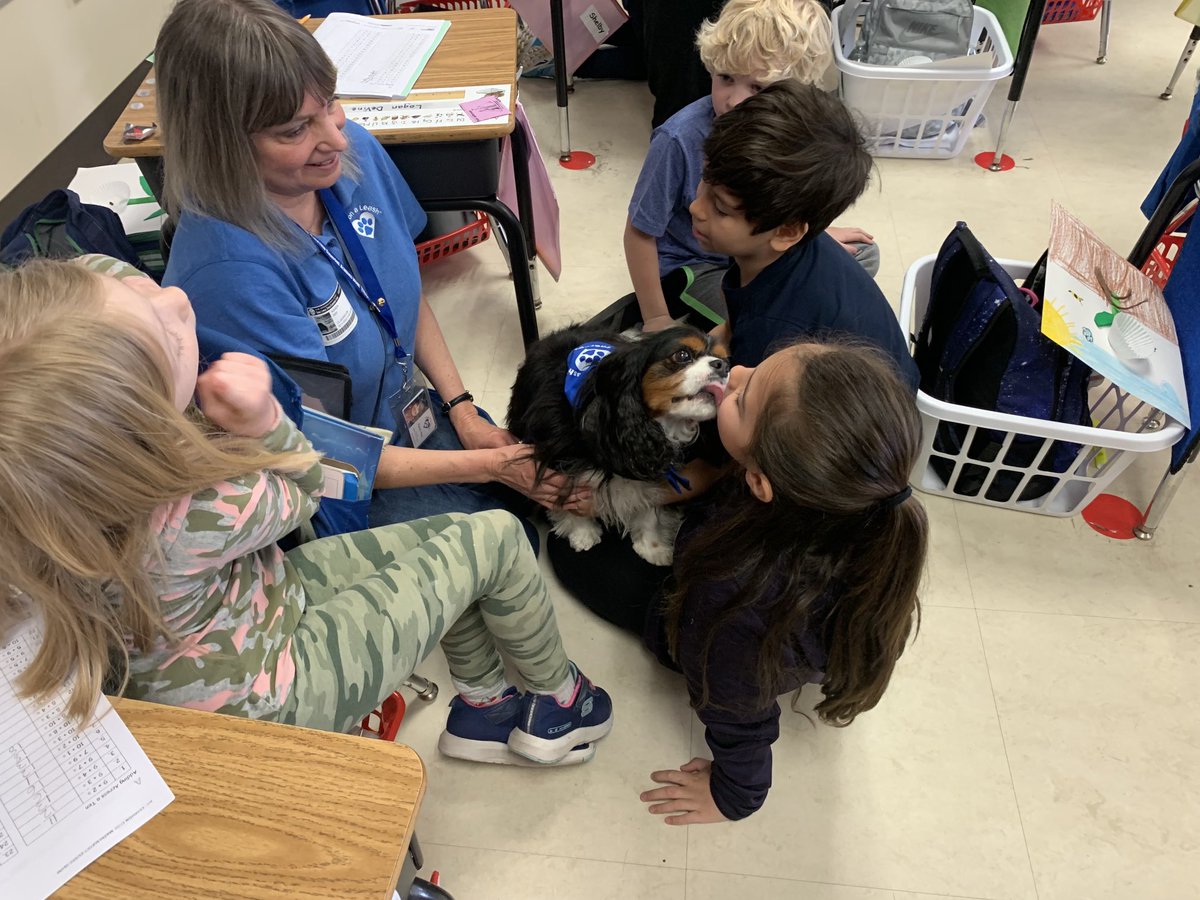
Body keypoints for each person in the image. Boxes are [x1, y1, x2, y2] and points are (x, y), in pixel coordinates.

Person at [0, 257, 613, 767]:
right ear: (150, 425)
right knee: (499, 537)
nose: (177, 299)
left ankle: (484, 706)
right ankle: (561, 704)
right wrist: (264, 422)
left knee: (451, 541)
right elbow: (305, 484)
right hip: (275, 695)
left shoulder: (46, 486)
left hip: (238, 623)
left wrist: (118, 311)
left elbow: (67, 317)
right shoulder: (200, 510)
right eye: (167, 333)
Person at [156, 0, 582, 547]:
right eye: (293, 130)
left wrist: (462, 409)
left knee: (531, 511)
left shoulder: (350, 153)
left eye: (330, 101)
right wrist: (489, 466)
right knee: (508, 540)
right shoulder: (228, 274)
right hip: (329, 479)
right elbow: (318, 450)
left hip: (405, 415)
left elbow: (401, 292)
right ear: (222, 145)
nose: (336, 137)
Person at [549, 340, 928, 821]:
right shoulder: (867, 510)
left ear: (760, 483)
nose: (737, 369)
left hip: (688, 615)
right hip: (751, 575)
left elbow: (739, 714)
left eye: (744, 399)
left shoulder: (731, 612)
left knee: (568, 553)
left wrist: (736, 797)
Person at [625, 0, 877, 333]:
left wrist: (811, 236)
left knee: (863, 256)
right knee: (763, 325)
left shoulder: (791, 130)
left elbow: (787, 203)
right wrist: (656, 317)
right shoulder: (678, 139)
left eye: (758, 87)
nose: (734, 101)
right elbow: (639, 232)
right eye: (725, 77)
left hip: (756, 251)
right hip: (696, 267)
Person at [694, 80, 918, 387]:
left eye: (720, 208)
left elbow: (748, 418)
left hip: (851, 425)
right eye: (704, 182)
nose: (696, 208)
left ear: (787, 231)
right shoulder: (764, 251)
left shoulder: (772, 333)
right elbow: (732, 326)